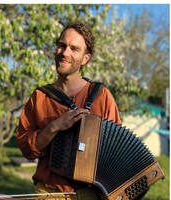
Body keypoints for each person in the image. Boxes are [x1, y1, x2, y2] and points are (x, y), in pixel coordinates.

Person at [16, 22, 121, 200]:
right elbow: (26, 149)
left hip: (91, 194)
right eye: (61, 45)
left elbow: (116, 150)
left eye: (74, 49)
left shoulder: (101, 96)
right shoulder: (40, 97)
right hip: (48, 193)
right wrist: (55, 126)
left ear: (85, 58)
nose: (65, 53)